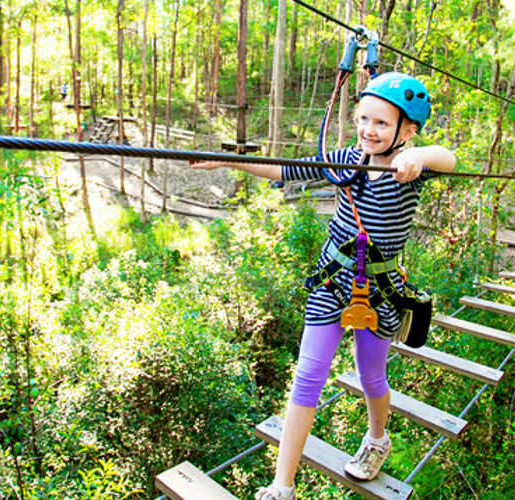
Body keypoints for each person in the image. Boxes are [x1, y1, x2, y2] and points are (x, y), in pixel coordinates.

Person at [192, 72, 456, 500]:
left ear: (407, 130)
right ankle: (283, 486)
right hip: (332, 282)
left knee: (372, 376)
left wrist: (421, 155)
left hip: (380, 291)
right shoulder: (346, 159)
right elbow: (287, 169)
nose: (369, 130)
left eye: (382, 124)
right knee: (307, 377)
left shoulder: (413, 168)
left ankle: (376, 439)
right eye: (364, 119)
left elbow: (450, 158)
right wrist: (228, 161)